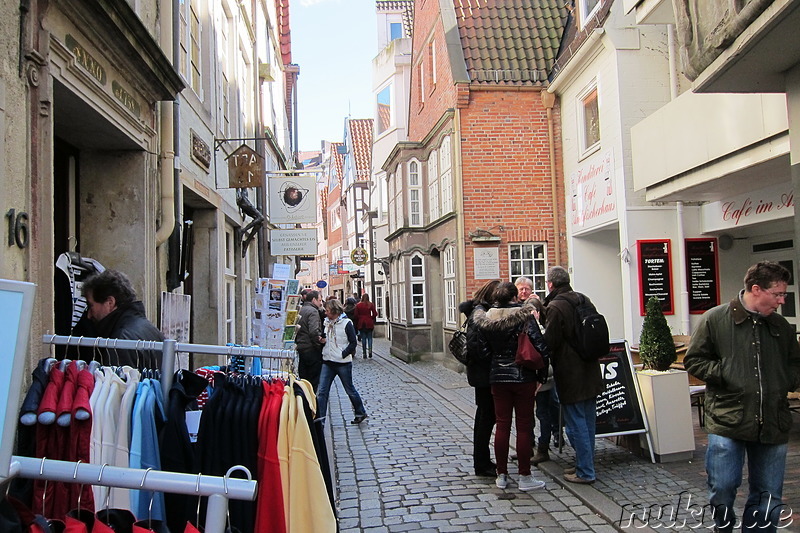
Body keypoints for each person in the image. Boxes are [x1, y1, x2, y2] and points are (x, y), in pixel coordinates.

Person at [684, 261, 800, 532]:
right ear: (756, 289)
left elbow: (796, 362)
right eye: (778, 294)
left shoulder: (781, 326)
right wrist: (726, 372)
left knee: (768, 496)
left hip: (773, 421)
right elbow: (695, 360)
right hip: (727, 420)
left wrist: (786, 380)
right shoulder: (715, 319)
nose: (782, 301)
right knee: (723, 488)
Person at [474, 281, 549, 491]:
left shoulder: (487, 319)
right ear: (515, 297)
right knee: (524, 426)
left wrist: (495, 365)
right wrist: (541, 376)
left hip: (498, 378)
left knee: (502, 425)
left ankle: (502, 475)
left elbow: (482, 350)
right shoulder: (524, 316)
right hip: (523, 376)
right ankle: (525, 476)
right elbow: (540, 346)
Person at [543, 266, 603, 484]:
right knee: (588, 421)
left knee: (576, 422)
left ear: (551, 284)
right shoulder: (583, 299)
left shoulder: (556, 306)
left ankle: (585, 471)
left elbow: (550, 342)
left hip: (571, 372)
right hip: (590, 367)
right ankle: (585, 464)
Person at [458, 279, 501, 477]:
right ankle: (481, 463)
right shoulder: (481, 313)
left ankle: (481, 460)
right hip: (483, 375)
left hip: (481, 374)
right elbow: (477, 348)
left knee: (484, 418)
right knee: (486, 418)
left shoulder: (478, 310)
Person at [82, 269, 163, 368]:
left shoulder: (120, 341)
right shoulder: (151, 330)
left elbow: (118, 382)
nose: (89, 315)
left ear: (110, 302)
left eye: (90, 305)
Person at [315, 299, 368, 425]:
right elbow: (325, 338)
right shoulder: (326, 323)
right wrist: (322, 341)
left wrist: (343, 354)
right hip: (328, 361)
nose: (326, 313)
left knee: (349, 389)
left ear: (334, 311)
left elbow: (353, 342)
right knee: (322, 391)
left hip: (343, 363)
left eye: (328, 311)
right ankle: (320, 419)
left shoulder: (346, 323)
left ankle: (360, 412)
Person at [295, 290, 325, 390]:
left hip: (301, 347)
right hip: (311, 349)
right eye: (319, 300)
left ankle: (303, 399)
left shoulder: (301, 309)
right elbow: (313, 331)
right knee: (313, 380)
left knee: (304, 378)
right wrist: (318, 345)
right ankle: (311, 402)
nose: (321, 303)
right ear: (313, 300)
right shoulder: (313, 311)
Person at [354, 294, 378, 358]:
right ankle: (370, 351)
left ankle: (364, 353)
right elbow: (375, 313)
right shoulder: (370, 304)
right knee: (370, 338)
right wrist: (370, 318)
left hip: (361, 323)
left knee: (363, 338)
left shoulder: (358, 305)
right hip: (369, 322)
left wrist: (360, 318)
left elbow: (356, 315)